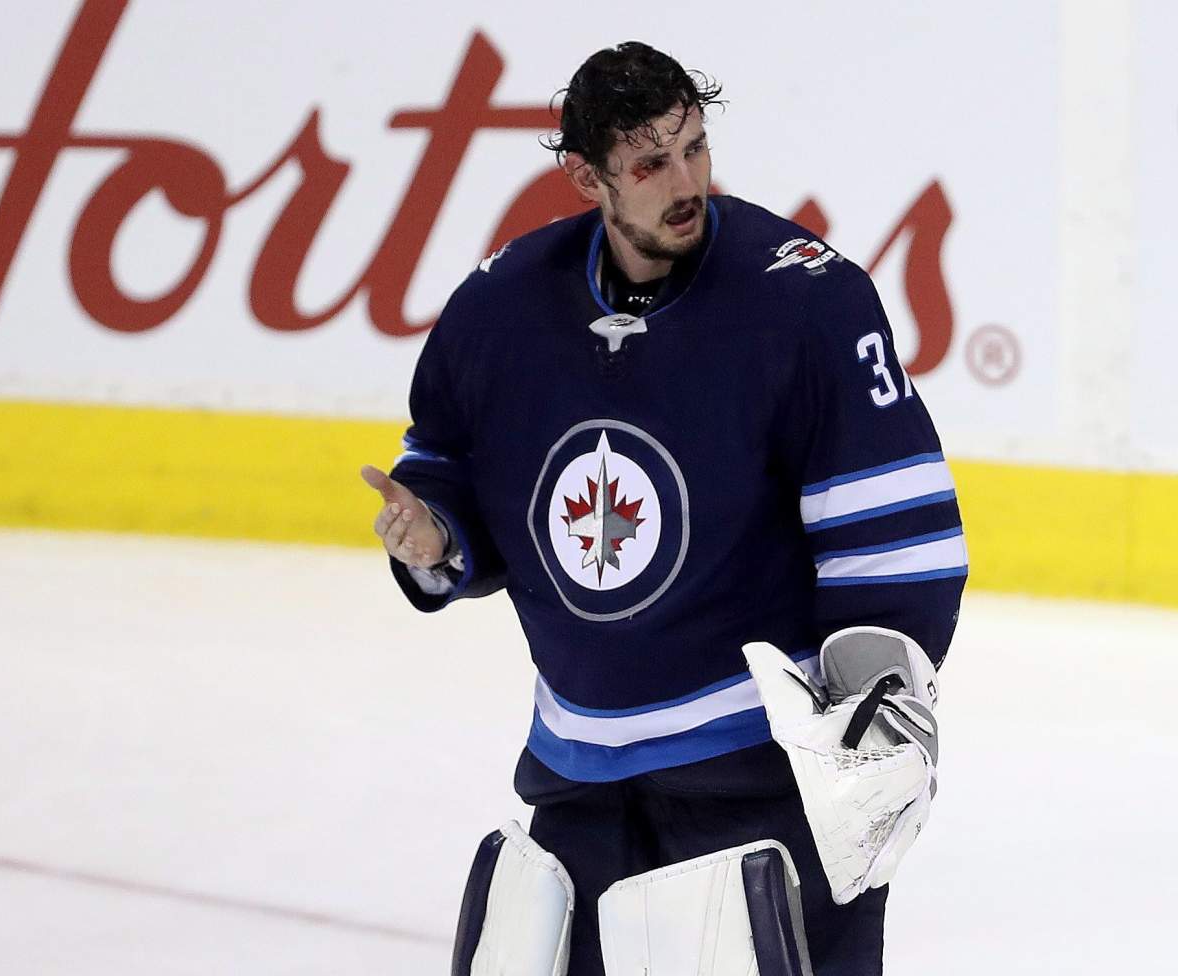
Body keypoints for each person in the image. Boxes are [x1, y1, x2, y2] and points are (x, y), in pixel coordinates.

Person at [362, 41, 966, 976]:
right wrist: (437, 537)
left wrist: (875, 713)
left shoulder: (805, 302)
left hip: (756, 784)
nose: (684, 181)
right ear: (585, 176)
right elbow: (449, 469)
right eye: (650, 163)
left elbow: (894, 533)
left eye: (693, 147)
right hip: (580, 781)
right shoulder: (503, 310)